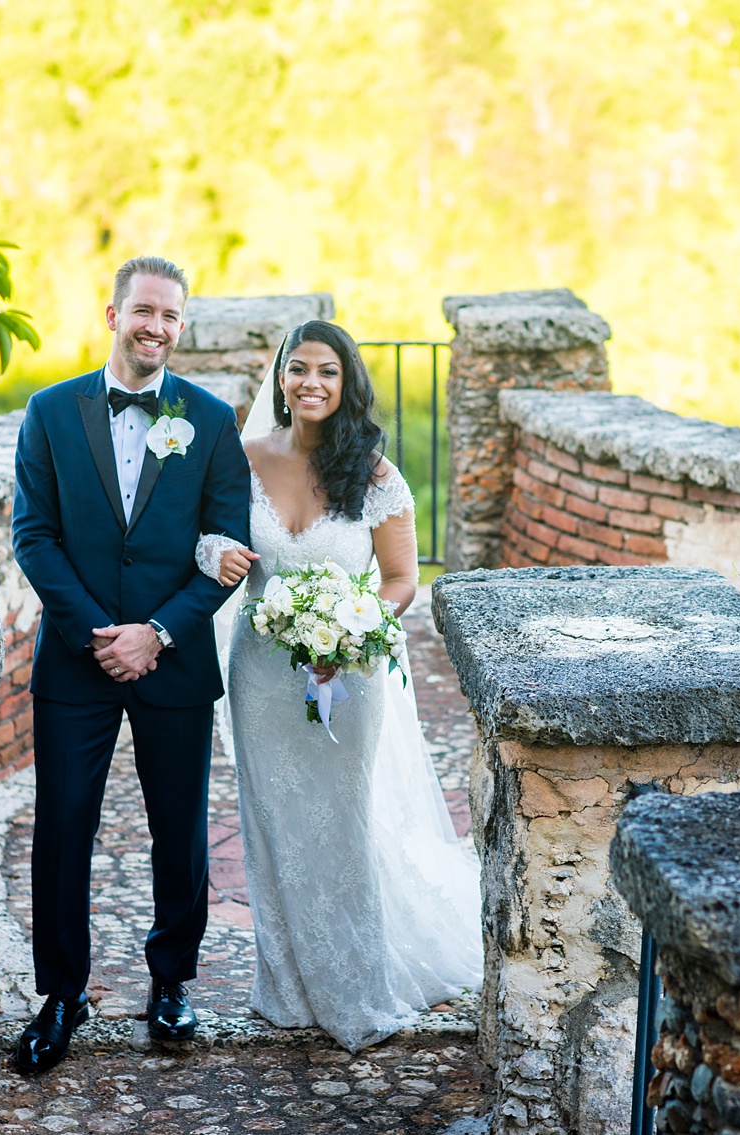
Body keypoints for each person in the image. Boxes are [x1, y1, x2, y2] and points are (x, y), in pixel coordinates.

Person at [195, 320, 482, 1051]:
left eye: (327, 371)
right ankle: (286, 985)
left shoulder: (376, 474)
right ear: (281, 380)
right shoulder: (242, 457)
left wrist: (353, 628)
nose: (311, 383)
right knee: (272, 820)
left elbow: (400, 581)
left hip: (347, 676)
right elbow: (209, 537)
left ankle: (354, 986)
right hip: (260, 672)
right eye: (298, 369)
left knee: (342, 820)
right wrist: (213, 552)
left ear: (347, 382)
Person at [10, 256, 251, 1072]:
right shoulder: (48, 412)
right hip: (76, 661)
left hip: (173, 661)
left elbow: (225, 552)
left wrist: (157, 632)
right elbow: (32, 535)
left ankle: (173, 980)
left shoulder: (212, 422)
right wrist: (95, 632)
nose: (156, 326)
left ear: (181, 328)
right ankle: (61, 993)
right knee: (62, 829)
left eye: (171, 317)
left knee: (179, 832)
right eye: (143, 310)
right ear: (111, 313)